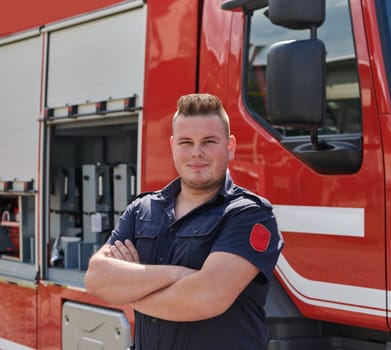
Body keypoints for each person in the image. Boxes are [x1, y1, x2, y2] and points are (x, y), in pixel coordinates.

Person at [85, 93, 283, 350]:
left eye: (209, 141)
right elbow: (97, 278)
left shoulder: (249, 215)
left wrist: (129, 289)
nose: (197, 153)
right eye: (186, 142)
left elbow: (205, 298)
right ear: (172, 146)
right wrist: (179, 275)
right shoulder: (141, 209)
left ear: (230, 146)